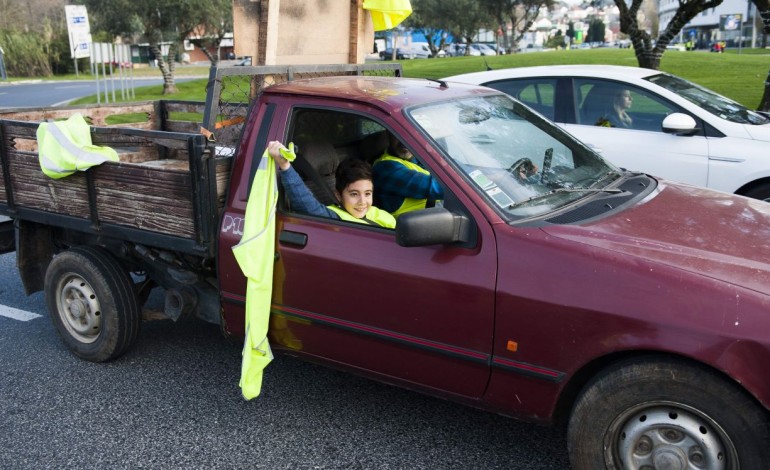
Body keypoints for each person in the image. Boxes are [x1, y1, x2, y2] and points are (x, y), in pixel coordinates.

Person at [266, 141, 395, 229]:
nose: (362, 201)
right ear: (338, 195)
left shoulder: (377, 214)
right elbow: (307, 204)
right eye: (354, 194)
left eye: (367, 193)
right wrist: (285, 165)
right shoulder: (334, 217)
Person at [371, 135, 444, 218]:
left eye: (411, 136)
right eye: (398, 134)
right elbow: (439, 188)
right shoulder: (386, 169)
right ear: (389, 134)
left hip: (435, 215)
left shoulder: (413, 157)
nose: (404, 141)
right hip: (415, 228)